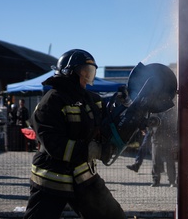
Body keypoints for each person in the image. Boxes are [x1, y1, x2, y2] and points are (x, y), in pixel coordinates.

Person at [24, 49, 126, 219]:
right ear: (69, 73)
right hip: (52, 180)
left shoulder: (89, 99)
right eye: (84, 73)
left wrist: (123, 107)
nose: (87, 79)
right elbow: (54, 144)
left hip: (83, 176)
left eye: (90, 73)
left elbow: (103, 119)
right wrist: (94, 151)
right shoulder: (50, 102)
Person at [150, 108, 177, 188]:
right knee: (155, 161)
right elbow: (149, 123)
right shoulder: (153, 111)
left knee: (170, 161)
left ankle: (172, 181)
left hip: (168, 139)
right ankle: (156, 180)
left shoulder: (171, 111)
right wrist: (150, 131)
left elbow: (174, 124)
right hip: (156, 139)